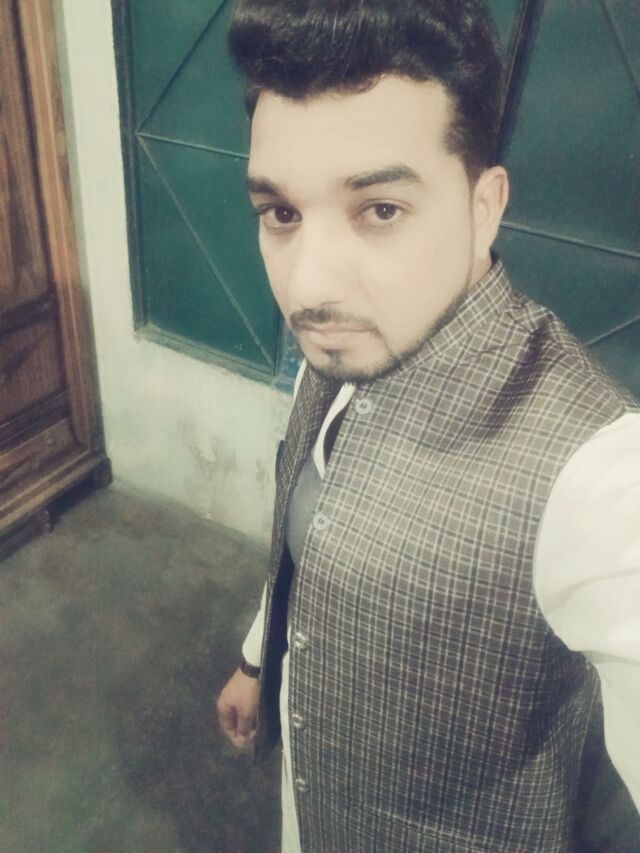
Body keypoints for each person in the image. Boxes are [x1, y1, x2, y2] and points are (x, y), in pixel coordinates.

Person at [216, 1, 640, 850]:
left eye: (380, 209)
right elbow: (310, 533)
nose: (308, 287)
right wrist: (262, 655)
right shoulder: (346, 344)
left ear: (485, 206)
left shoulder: (597, 473)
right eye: (282, 214)